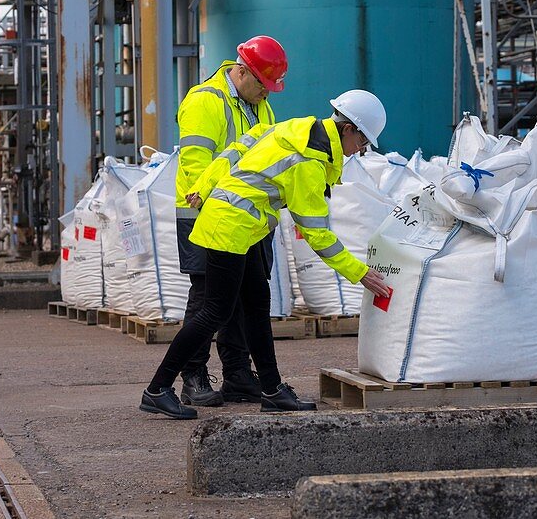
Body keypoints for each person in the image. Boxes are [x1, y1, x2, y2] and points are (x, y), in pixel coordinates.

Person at [140, 89, 393, 419]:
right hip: (229, 228)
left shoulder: (296, 128)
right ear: (347, 129)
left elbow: (238, 146)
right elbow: (316, 232)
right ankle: (158, 389)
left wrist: (204, 186)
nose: (361, 149)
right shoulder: (310, 162)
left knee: (258, 306)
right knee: (214, 312)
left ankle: (272, 390)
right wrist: (359, 272)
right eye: (363, 141)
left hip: (241, 228)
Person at [173, 35, 288, 408]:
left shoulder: (261, 106)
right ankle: (192, 377)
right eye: (263, 86)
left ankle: (238, 374)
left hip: (248, 217)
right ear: (242, 72)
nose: (267, 95)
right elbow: (195, 163)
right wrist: (212, 203)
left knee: (246, 294)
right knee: (209, 296)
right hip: (206, 212)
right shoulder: (205, 101)